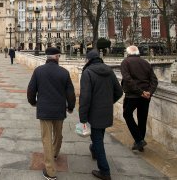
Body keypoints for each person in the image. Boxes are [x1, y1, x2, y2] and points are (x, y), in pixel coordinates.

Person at [27, 47, 76, 180]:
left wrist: (32, 102)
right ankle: (54, 153)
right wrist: (71, 107)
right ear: (57, 57)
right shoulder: (64, 72)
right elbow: (70, 93)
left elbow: (31, 90)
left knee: (46, 138)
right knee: (58, 135)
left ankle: (50, 171)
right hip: (59, 110)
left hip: (44, 110)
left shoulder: (38, 71)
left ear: (47, 57)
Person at [79, 50, 122, 180]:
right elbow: (119, 92)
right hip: (106, 111)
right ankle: (94, 150)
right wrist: (109, 102)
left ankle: (105, 171)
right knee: (98, 137)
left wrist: (83, 117)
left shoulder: (88, 72)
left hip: (94, 113)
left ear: (88, 60)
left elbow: (85, 97)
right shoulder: (109, 71)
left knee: (98, 140)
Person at [121, 45, 158, 152]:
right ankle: (140, 143)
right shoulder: (146, 63)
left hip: (133, 95)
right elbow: (154, 80)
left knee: (127, 115)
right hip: (145, 96)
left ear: (128, 53)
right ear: (138, 53)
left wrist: (140, 92)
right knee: (142, 118)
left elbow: (128, 80)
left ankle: (139, 140)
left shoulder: (125, 62)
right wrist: (149, 92)